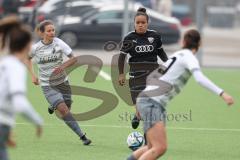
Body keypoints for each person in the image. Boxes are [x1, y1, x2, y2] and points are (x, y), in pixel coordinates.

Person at [126, 29, 234, 160]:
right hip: (152, 102)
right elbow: (199, 78)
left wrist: (140, 101)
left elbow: (152, 78)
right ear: (199, 44)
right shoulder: (189, 57)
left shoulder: (177, 55)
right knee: (159, 147)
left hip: (147, 100)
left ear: (183, 41)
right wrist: (222, 93)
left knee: (151, 147)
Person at [27, 20, 91, 145]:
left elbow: (74, 59)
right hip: (47, 85)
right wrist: (33, 75)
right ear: (42, 33)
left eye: (53, 30)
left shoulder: (59, 43)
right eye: (49, 31)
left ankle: (53, 105)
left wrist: (62, 67)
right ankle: (83, 136)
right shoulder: (36, 48)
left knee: (67, 108)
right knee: (64, 111)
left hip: (63, 83)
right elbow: (27, 59)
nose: (52, 33)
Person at [0, 16, 43, 160]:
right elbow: (19, 103)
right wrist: (37, 121)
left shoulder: (4, 63)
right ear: (27, 45)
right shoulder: (15, 67)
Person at [118, 7, 168, 129]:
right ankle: (138, 115)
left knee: (150, 105)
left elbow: (161, 53)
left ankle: (148, 135)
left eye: (143, 23)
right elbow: (121, 57)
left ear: (147, 23)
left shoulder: (155, 36)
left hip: (153, 74)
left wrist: (169, 66)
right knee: (139, 106)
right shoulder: (129, 38)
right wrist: (121, 74)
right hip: (136, 75)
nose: (140, 25)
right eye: (138, 23)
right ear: (134, 23)